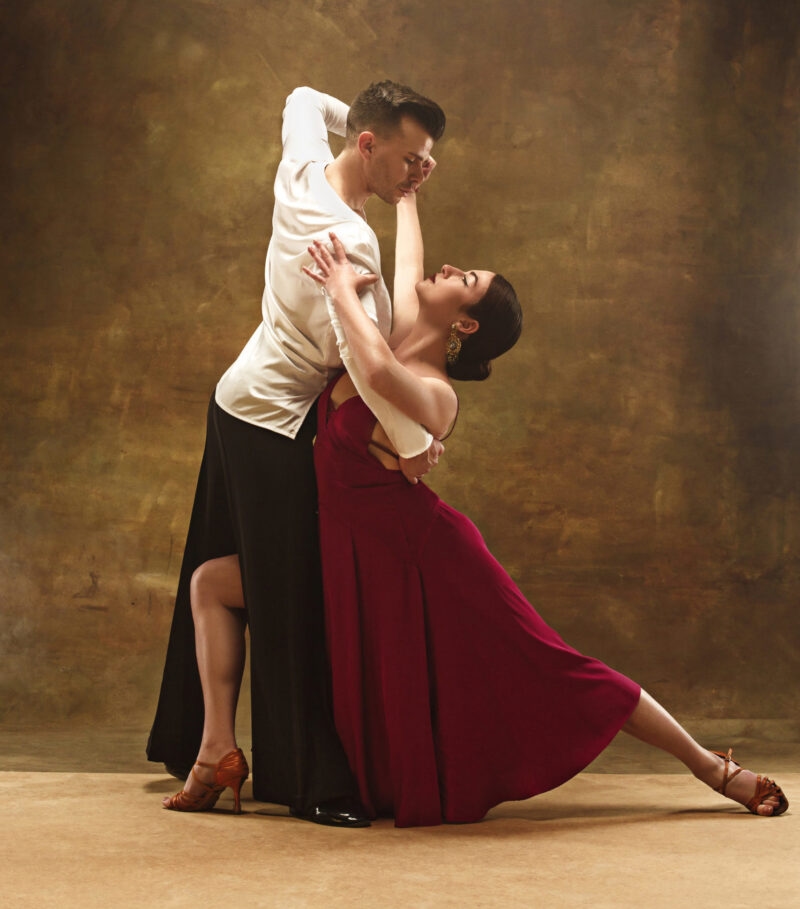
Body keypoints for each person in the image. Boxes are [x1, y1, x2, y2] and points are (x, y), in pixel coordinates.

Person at [168, 193, 788, 826]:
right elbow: (409, 264)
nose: (450, 270)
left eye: (465, 281)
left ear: (465, 323)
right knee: (211, 583)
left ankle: (714, 769)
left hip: (428, 561)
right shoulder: (401, 326)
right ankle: (217, 750)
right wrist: (406, 196)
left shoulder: (436, 396)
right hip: (347, 557)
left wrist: (339, 291)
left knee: (556, 667)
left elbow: (377, 374)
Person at [149, 81, 446, 827]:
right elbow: (368, 363)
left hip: (234, 400)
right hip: (269, 427)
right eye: (409, 160)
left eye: (427, 162)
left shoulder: (305, 170)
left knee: (220, 576)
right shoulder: (350, 242)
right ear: (370, 147)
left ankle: (210, 744)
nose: (419, 173)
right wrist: (418, 446)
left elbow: (303, 97)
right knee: (290, 601)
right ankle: (318, 782)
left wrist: (371, 133)